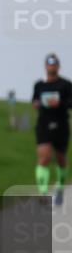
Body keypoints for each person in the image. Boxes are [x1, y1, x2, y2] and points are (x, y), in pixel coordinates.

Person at [31, 53, 72, 205]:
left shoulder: (66, 85)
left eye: (54, 64)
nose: (52, 66)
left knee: (61, 159)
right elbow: (34, 100)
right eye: (49, 64)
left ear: (58, 66)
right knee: (44, 157)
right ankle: (42, 192)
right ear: (45, 66)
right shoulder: (39, 85)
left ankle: (60, 188)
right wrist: (36, 104)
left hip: (61, 124)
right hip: (44, 123)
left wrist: (59, 103)